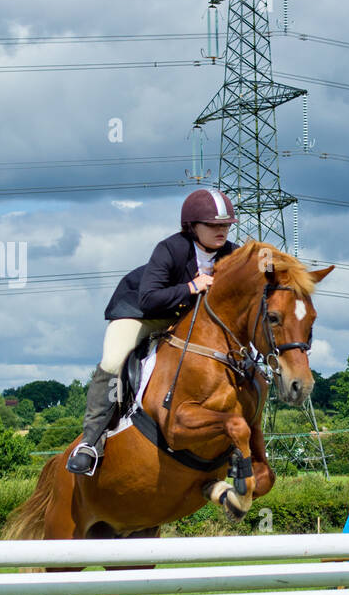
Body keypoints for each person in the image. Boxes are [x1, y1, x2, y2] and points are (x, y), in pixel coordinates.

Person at [66, 188, 241, 475]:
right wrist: (190, 287)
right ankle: (90, 442)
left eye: (225, 225)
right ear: (192, 226)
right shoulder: (171, 248)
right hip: (141, 313)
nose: (221, 231)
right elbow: (149, 298)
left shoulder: (232, 253)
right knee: (112, 361)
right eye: (213, 225)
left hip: (184, 319)